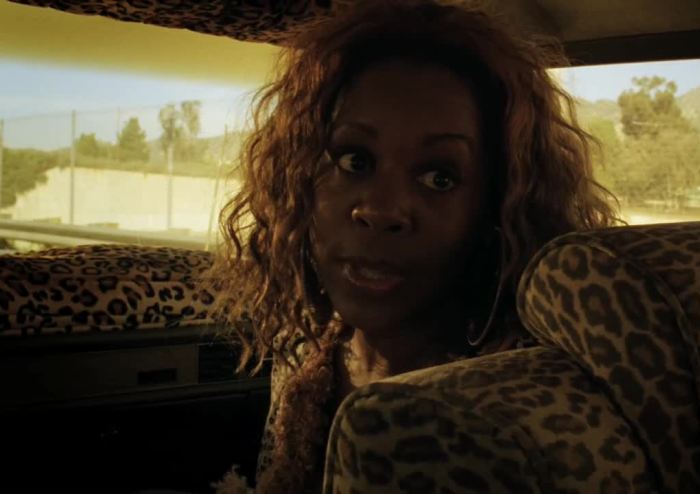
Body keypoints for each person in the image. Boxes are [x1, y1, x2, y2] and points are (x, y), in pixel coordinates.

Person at [210, 1, 618, 492]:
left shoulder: (509, 408)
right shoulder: (306, 360)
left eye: (439, 177)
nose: (381, 210)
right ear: (297, 180)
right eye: (354, 161)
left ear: (495, 209)